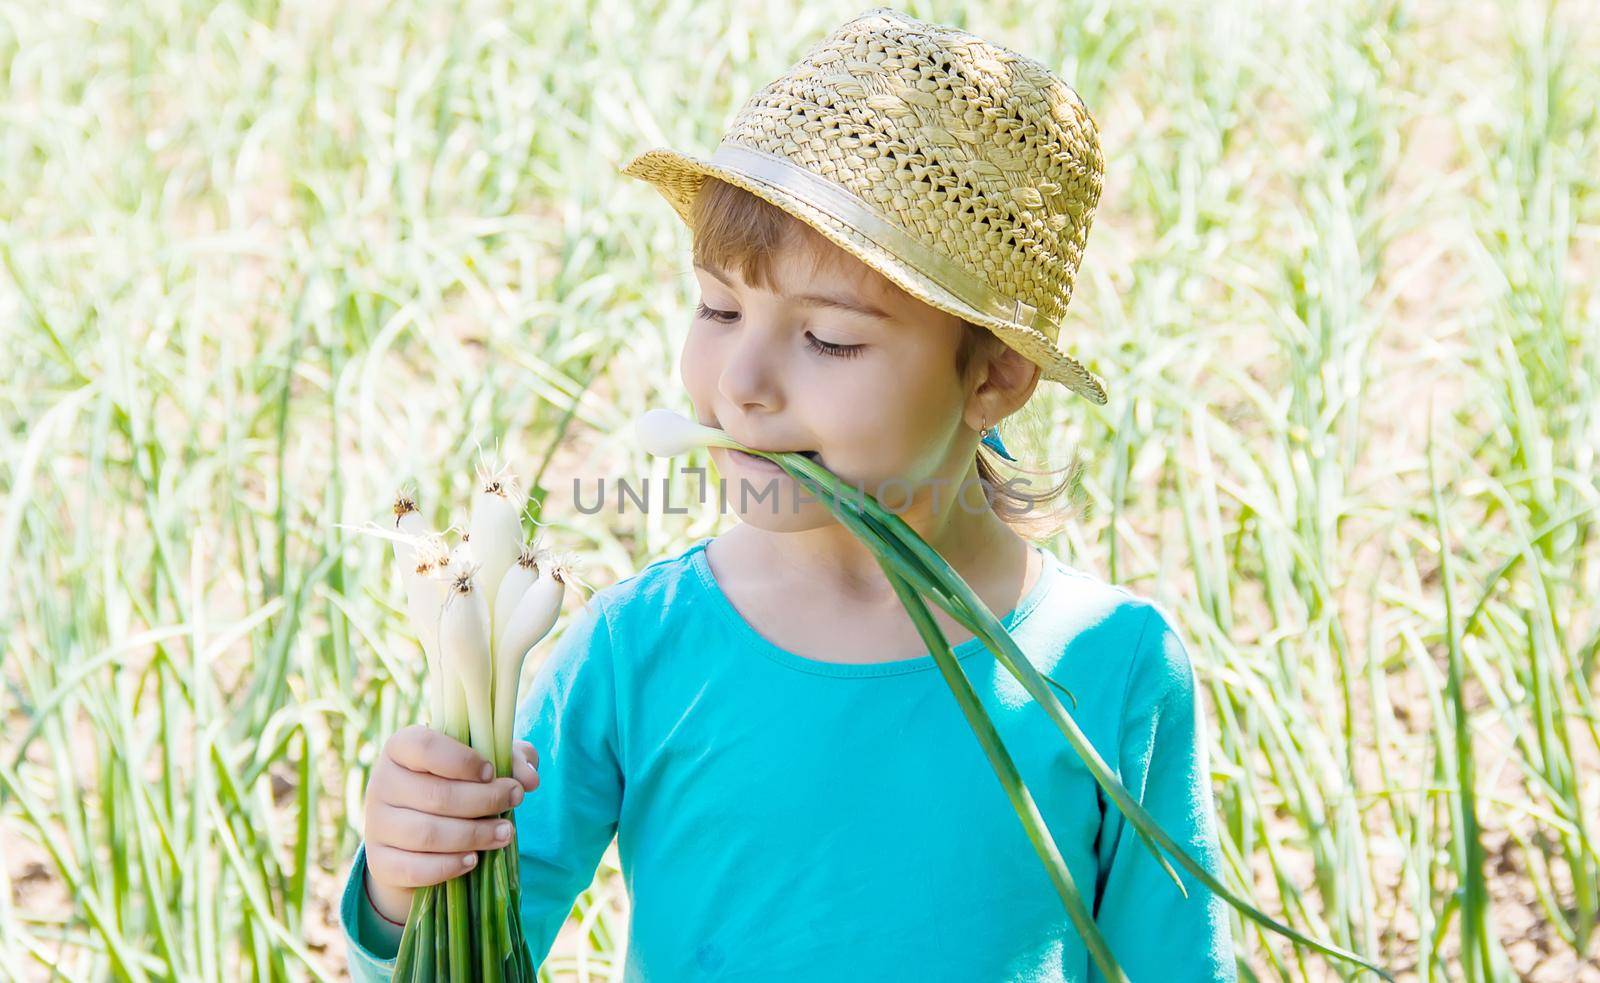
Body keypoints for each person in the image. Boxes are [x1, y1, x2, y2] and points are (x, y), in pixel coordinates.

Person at [339, 8, 1237, 980]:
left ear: (994, 376)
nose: (743, 382)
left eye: (830, 338)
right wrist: (405, 878)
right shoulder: (637, 646)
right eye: (718, 307)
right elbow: (463, 955)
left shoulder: (1113, 667)